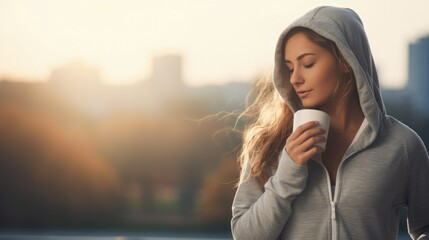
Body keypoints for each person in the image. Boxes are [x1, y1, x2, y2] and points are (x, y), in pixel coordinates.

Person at [231, 6, 429, 240]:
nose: (295, 79)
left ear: (346, 62)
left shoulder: (402, 145)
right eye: (290, 68)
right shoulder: (269, 145)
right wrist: (288, 172)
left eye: (308, 64)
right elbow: (244, 236)